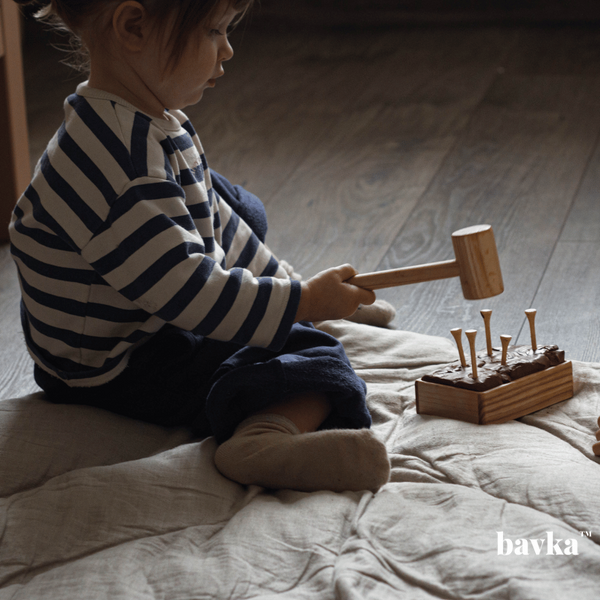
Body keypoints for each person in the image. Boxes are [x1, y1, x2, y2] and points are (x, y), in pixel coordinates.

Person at [9, 0, 391, 492]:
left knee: (232, 202)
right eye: (213, 31)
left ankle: (283, 302)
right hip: (116, 362)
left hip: (133, 300)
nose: (227, 49)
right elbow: (193, 295)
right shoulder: (122, 168)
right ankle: (263, 440)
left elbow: (218, 219)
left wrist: (295, 291)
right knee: (311, 353)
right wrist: (302, 310)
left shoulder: (143, 119)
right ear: (133, 26)